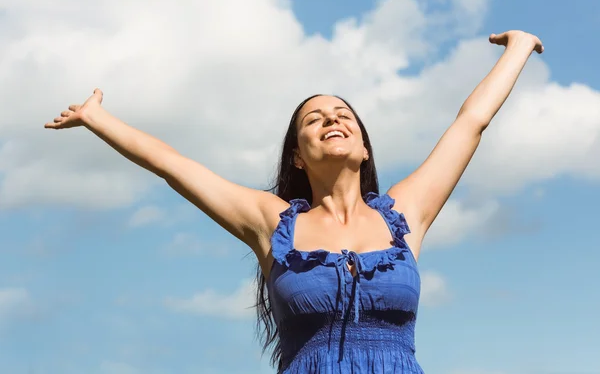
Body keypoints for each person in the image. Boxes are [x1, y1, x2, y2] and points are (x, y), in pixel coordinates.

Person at [45, 30, 544, 373]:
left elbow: (469, 123)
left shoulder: (405, 213)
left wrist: (518, 48)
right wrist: (98, 119)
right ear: (298, 158)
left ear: (364, 146)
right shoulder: (271, 221)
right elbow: (175, 166)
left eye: (343, 113)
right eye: (314, 119)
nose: (332, 119)